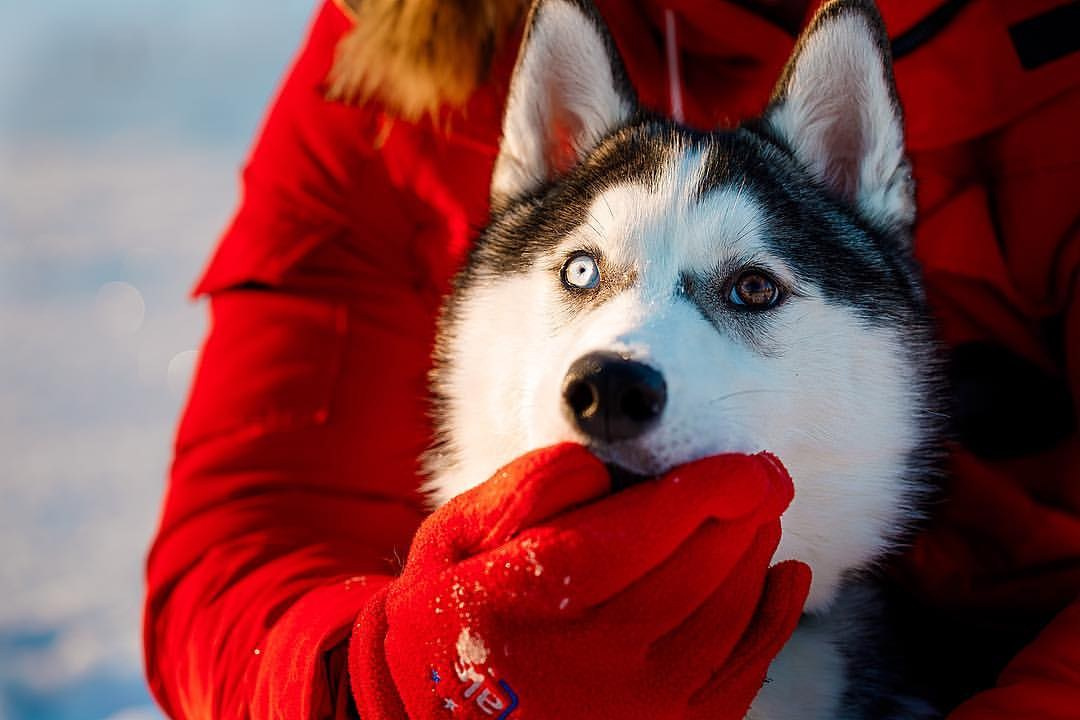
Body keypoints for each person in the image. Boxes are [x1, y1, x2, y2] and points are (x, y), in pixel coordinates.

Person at [143, 0, 1080, 717]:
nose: (618, 367)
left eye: (749, 291)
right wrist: (396, 680)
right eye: (582, 272)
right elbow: (246, 535)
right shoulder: (403, 42)